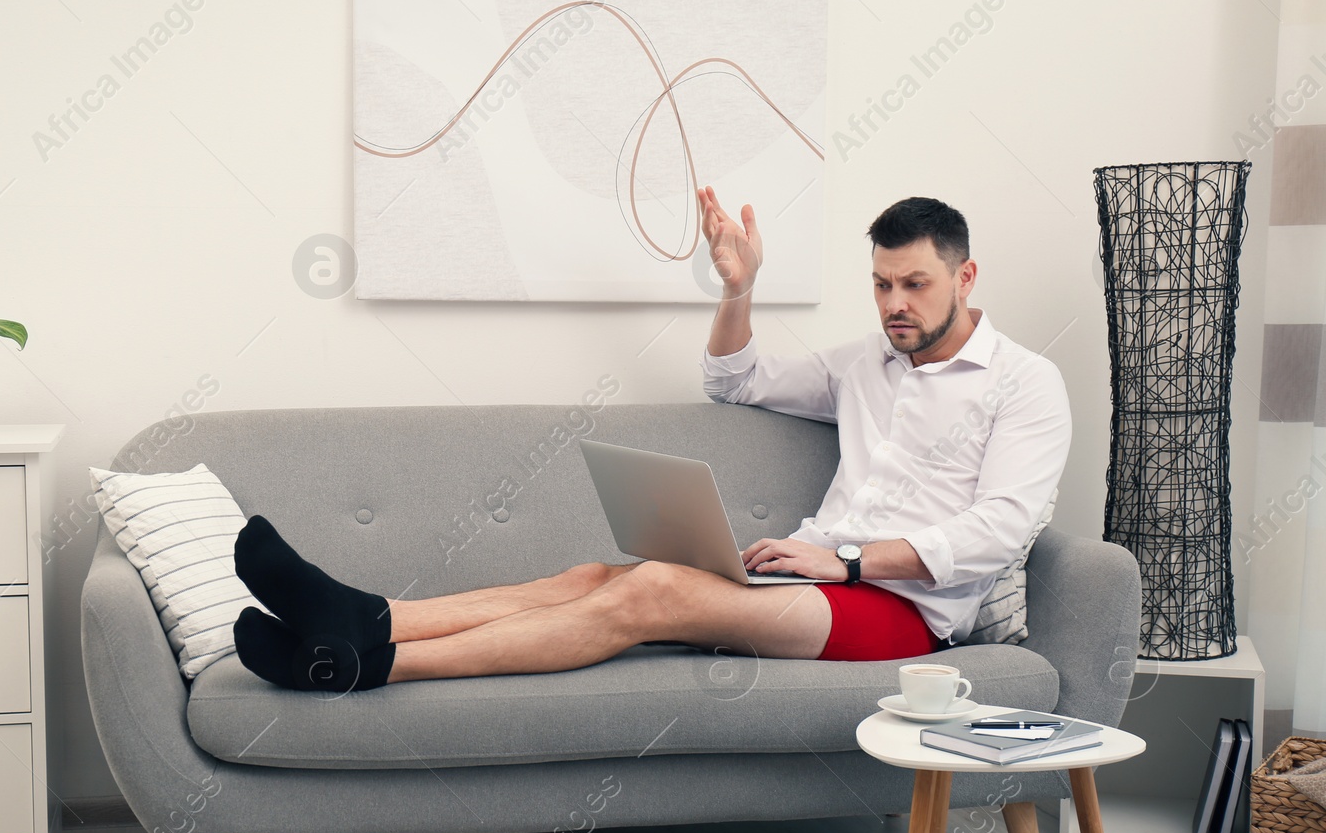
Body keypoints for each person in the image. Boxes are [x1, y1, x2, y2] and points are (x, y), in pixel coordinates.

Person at [231, 189, 1071, 692]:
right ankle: (362, 616)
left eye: (915, 284)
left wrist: (847, 561)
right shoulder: (868, 362)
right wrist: (737, 289)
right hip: (811, 579)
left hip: (903, 615)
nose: (896, 303)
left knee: (647, 598)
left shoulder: (1024, 384)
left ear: (964, 278)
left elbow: (997, 530)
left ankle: (368, 666)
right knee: (594, 574)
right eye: (883, 284)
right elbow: (734, 378)